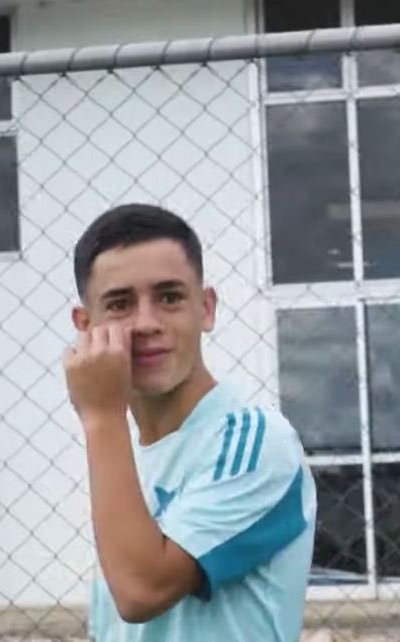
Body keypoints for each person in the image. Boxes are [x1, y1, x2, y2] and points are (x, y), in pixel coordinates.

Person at [63, 204, 316, 642]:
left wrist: (102, 415)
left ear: (207, 308)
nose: (146, 323)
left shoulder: (255, 441)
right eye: (120, 304)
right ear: (87, 326)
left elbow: (142, 591)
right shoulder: (125, 457)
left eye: (169, 297)